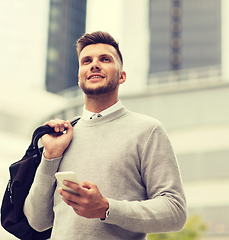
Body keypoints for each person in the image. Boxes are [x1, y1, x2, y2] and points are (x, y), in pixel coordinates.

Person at [24, 31, 186, 240]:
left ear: (122, 76)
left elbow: (175, 211)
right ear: (79, 76)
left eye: (105, 59)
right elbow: (37, 221)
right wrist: (51, 156)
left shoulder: (147, 131)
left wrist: (106, 208)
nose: (94, 65)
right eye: (86, 61)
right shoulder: (61, 137)